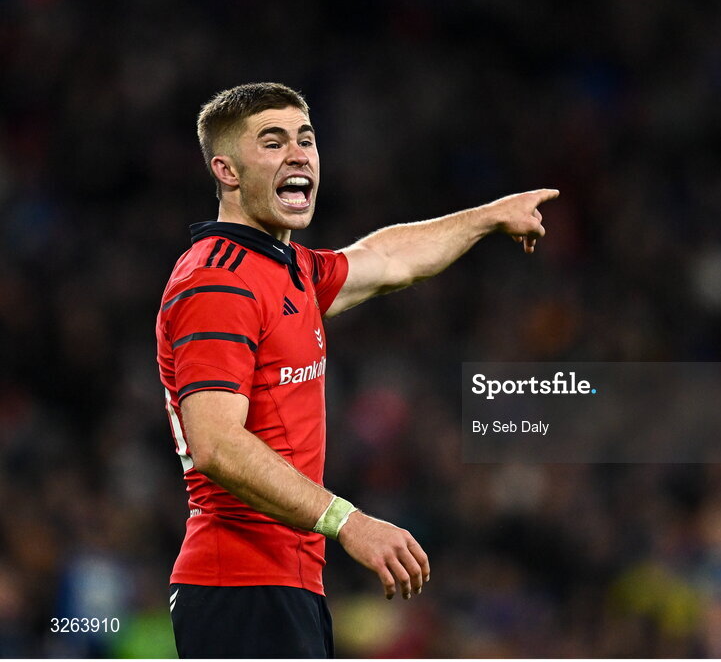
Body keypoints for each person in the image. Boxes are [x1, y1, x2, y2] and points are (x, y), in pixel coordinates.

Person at [155, 82, 558, 658]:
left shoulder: (286, 269)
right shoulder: (217, 280)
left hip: (283, 584)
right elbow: (217, 443)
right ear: (227, 170)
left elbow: (389, 258)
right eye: (272, 143)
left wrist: (490, 217)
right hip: (239, 586)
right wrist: (348, 521)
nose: (297, 155)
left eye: (306, 139)